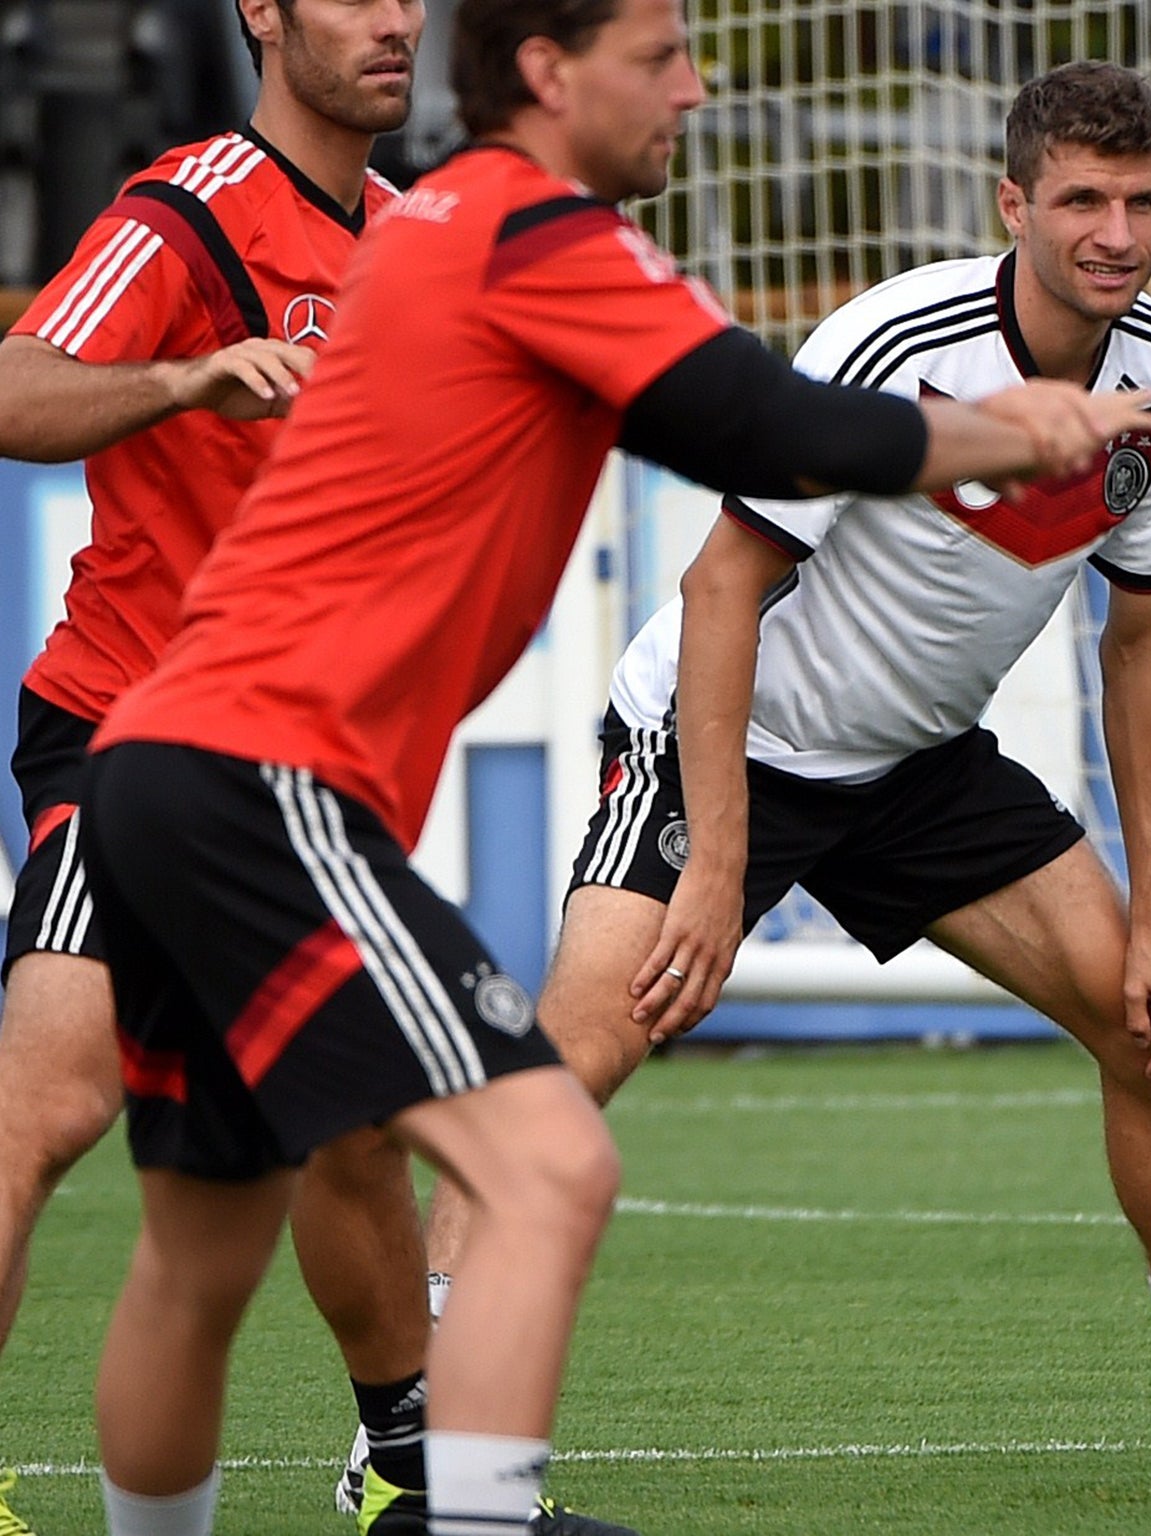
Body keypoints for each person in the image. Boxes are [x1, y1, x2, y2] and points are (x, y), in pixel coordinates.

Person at [69, 0, 1151, 1530]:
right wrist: (1015, 432)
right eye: (659, 57)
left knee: (200, 1252)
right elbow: (770, 433)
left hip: (168, 766)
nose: (693, 89)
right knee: (547, 1163)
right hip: (257, 780)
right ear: (544, 73)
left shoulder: (429, 222)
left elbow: (705, 423)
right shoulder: (533, 232)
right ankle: (481, 1523)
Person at [426, 59, 1151, 1491]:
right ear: (1015, 202)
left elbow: (1143, 644)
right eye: (1081, 200)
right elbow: (718, 592)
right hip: (723, 736)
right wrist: (711, 866)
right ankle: (412, 1435)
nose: (1117, 234)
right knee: (563, 1075)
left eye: (1142, 203)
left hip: (918, 765)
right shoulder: (902, 340)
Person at [0, 3, 467, 1532]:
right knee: (45, 1103)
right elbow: (15, 390)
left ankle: (416, 1481)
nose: (396, 18)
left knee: (351, 1124)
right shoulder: (189, 210)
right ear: (262, 13)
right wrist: (186, 382)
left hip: (288, 774)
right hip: (126, 740)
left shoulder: (414, 242)